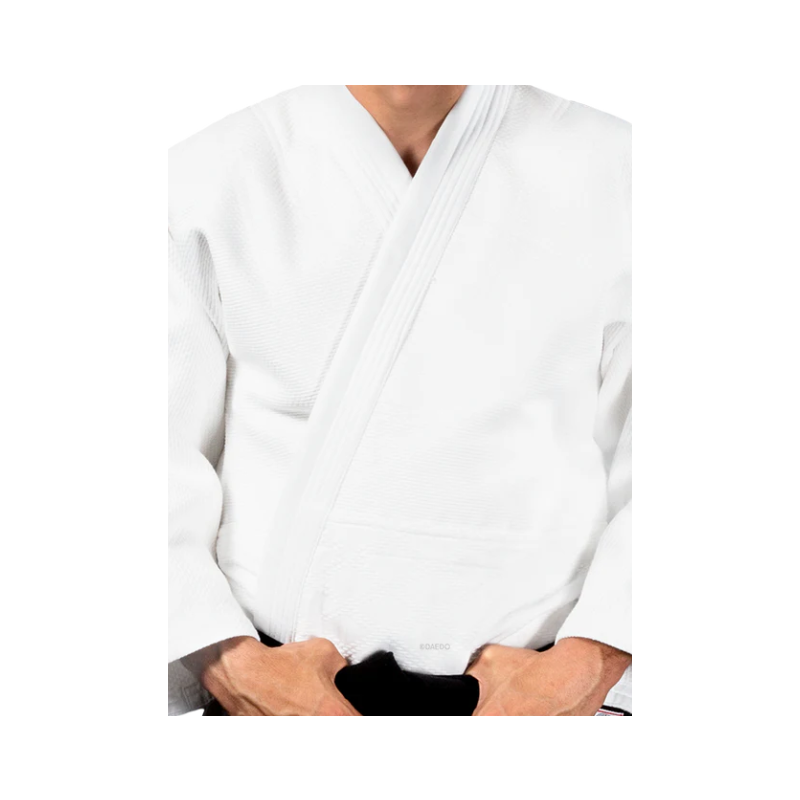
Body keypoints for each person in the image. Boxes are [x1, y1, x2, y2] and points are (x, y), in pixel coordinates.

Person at [169, 85, 632, 716]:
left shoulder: (623, 169)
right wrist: (231, 665)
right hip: (278, 701)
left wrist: (591, 663)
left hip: (546, 701)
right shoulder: (208, 175)